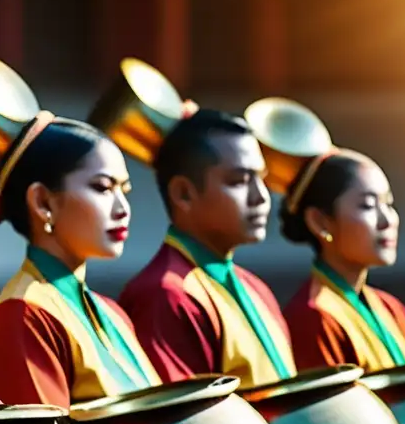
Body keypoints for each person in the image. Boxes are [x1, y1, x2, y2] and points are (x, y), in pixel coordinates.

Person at [0, 55, 159, 408]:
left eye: (124, 190)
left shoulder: (111, 312)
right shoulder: (22, 315)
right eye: (102, 187)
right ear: (42, 202)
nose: (122, 207)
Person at [95, 61, 295, 390]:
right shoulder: (164, 294)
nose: (262, 197)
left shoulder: (255, 287)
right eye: (239, 181)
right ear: (183, 193)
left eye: (261, 179)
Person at [273, 148, 405, 371]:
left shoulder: (391, 308)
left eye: (388, 204)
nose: (387, 220)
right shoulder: (313, 318)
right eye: (368, 206)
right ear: (320, 222)